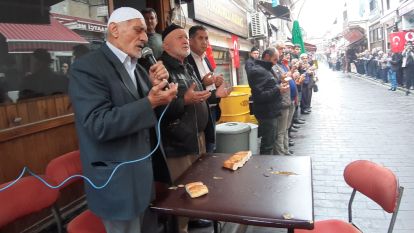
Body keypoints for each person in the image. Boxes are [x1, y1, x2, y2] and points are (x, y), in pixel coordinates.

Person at [68, 7, 178, 233]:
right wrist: (150, 102)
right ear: (114, 30)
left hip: (146, 180)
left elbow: (152, 116)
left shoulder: (138, 69)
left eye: (146, 33)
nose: (145, 37)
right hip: (118, 184)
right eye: (138, 30)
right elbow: (98, 124)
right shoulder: (88, 68)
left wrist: (161, 91)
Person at [158, 23, 214, 233]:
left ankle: (192, 220)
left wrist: (214, 94)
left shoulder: (186, 66)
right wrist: (184, 100)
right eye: (179, 37)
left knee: (195, 184)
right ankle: (180, 227)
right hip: (177, 141)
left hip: (196, 136)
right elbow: (158, 107)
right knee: (180, 192)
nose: (185, 40)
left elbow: (197, 96)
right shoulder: (161, 68)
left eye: (185, 36)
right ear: (165, 44)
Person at [187, 25, 231, 153]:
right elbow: (191, 88)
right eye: (200, 38)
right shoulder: (187, 60)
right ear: (190, 40)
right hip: (199, 111)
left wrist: (216, 83)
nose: (205, 42)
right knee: (204, 149)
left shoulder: (205, 58)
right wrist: (203, 82)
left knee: (212, 144)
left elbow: (210, 82)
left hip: (212, 107)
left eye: (206, 38)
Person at [247, 47, 288, 155]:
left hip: (271, 111)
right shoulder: (258, 71)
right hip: (266, 113)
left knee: (270, 140)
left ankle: (267, 165)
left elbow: (269, 85)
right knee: (267, 144)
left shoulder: (266, 69)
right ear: (267, 57)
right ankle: (265, 168)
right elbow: (259, 96)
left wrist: (279, 84)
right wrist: (278, 89)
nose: (275, 63)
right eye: (274, 59)